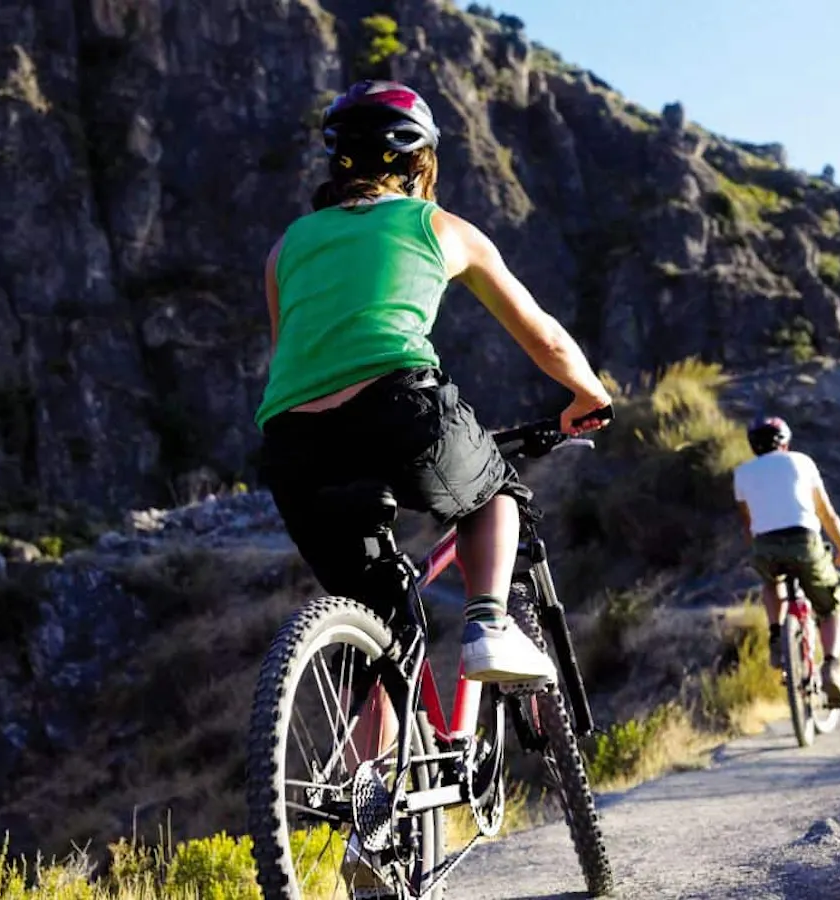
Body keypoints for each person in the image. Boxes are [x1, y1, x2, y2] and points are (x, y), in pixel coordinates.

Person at [254, 80, 612, 895]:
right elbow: (544, 336)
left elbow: (295, 354)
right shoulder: (439, 226)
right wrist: (589, 395)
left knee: (381, 621)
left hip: (295, 444)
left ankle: (368, 806)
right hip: (398, 407)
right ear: (421, 160)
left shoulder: (287, 247)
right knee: (496, 493)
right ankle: (488, 621)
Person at [733, 416, 840, 708]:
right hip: (804, 541)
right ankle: (831, 665)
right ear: (786, 441)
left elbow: (748, 522)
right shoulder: (801, 462)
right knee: (830, 606)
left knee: (771, 582)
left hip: (765, 545)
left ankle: (777, 636)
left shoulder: (741, 473)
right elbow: (827, 515)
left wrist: (760, 554)